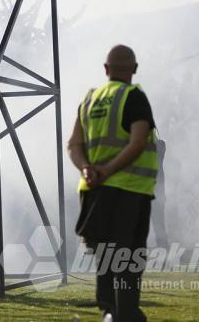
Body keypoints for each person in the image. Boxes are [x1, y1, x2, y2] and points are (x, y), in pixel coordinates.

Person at [68, 45, 159, 322]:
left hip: (94, 191)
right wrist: (108, 170)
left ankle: (109, 310)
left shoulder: (90, 99)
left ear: (106, 69)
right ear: (134, 68)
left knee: (105, 255)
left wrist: (87, 169)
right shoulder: (134, 97)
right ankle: (127, 313)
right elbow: (139, 140)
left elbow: (73, 144)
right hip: (129, 189)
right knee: (129, 257)